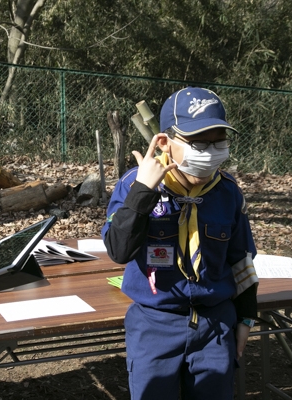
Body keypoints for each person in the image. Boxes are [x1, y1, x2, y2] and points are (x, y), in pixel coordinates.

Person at [102, 87, 259, 400]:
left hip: (215, 324)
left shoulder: (227, 192)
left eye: (219, 142)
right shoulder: (134, 185)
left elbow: (241, 260)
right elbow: (118, 250)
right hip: (154, 324)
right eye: (199, 142)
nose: (211, 151)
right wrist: (144, 192)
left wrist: (245, 318)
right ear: (165, 142)